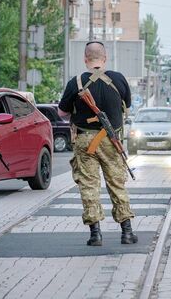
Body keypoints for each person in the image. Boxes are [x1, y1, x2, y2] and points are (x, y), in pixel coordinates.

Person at [58, 41, 136, 246]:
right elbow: (127, 105)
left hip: (85, 140)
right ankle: (127, 232)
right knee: (117, 184)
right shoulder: (119, 79)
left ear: (85, 59)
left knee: (89, 185)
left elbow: (61, 112)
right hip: (111, 140)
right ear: (105, 58)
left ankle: (95, 234)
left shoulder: (75, 82)